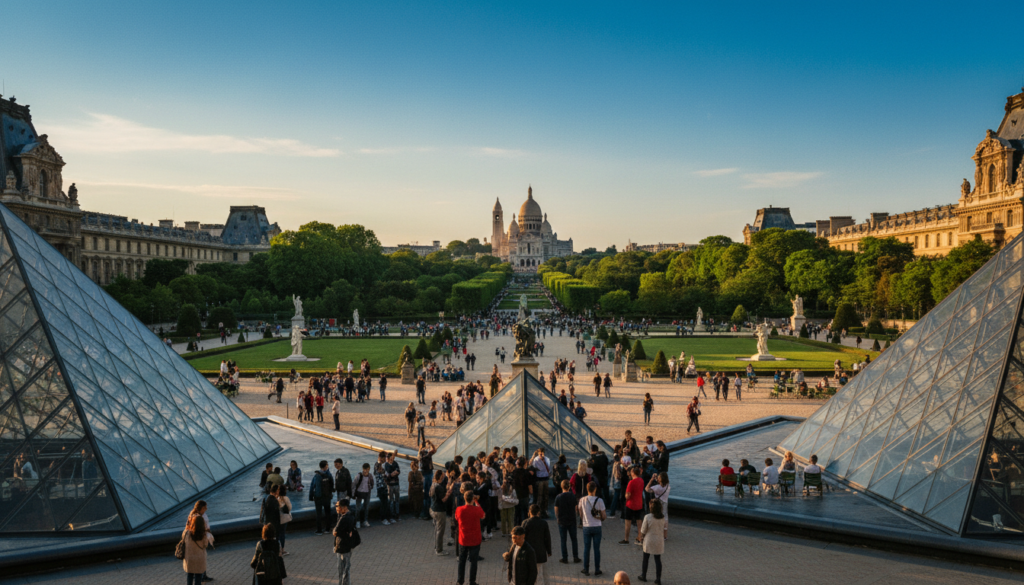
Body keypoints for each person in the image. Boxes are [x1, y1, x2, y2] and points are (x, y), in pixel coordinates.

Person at [456, 492, 487, 585]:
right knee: (474, 562)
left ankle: (460, 581)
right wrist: (477, 502)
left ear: (464, 499)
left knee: (462, 561)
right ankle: (472, 581)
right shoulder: (477, 510)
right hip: (475, 539)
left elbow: (456, 518)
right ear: (473, 499)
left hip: (463, 539)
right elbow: (483, 516)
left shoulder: (459, 509)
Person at [577, 481, 606, 577]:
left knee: (586, 548)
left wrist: (583, 519)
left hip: (586, 527)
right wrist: (601, 518)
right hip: (597, 526)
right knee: (596, 549)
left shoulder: (582, 500)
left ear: (587, 489)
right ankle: (597, 569)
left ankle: (586, 569)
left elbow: (580, 512)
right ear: (595, 489)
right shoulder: (600, 500)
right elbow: (604, 515)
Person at [637, 500, 667, 584]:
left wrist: (641, 537)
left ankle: (643, 575)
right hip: (659, 541)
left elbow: (643, 530)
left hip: (649, 540)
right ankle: (658, 579)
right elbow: (663, 528)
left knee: (645, 559)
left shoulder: (647, 517)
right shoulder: (662, 517)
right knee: (658, 560)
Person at [521, 504, 552, 585]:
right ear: (539, 512)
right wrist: (549, 551)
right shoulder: (544, 523)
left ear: (529, 512)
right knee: (540, 572)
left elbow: (522, 538)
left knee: (529, 572)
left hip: (528, 552)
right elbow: (547, 538)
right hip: (540, 552)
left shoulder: (525, 523)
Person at [553, 479, 581, 564]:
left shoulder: (558, 497)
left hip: (562, 521)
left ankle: (565, 558)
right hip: (572, 520)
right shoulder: (573, 496)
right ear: (569, 487)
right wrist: (575, 515)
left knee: (563, 540)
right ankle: (575, 557)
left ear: (561, 487)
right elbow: (576, 508)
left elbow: (556, 509)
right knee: (574, 539)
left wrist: (557, 518)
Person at [182, 514, 213, 585]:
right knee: (198, 577)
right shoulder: (203, 535)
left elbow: (183, 540)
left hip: (189, 558)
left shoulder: (186, 533)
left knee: (189, 575)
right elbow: (205, 545)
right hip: (199, 559)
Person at [332, 499, 356, 585]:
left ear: (344, 507)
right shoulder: (351, 515)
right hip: (347, 545)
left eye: (337, 506)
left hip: (342, 546)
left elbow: (335, 532)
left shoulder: (344, 518)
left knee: (343, 569)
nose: (336, 508)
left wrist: (336, 532)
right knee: (345, 568)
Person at [621, 467, 644, 545]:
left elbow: (628, 496)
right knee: (639, 522)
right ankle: (639, 538)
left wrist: (625, 495)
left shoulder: (631, 482)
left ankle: (626, 539)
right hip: (639, 504)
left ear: (633, 473)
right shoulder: (641, 481)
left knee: (628, 522)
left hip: (630, 504)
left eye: (631, 471)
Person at [430, 470, 451, 555]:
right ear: (440, 477)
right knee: (440, 530)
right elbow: (443, 499)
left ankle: (436, 546)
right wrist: (448, 494)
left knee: (436, 529)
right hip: (439, 511)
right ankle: (439, 550)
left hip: (433, 509)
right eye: (443, 476)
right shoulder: (439, 487)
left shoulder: (433, 485)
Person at [311, 460, 335, 535]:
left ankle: (319, 530)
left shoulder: (317, 475)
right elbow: (332, 484)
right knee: (328, 513)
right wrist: (330, 494)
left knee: (319, 514)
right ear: (326, 466)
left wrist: (311, 496)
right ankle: (327, 529)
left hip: (318, 497)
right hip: (327, 497)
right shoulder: (329, 474)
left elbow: (312, 486)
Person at [531, 448, 552, 517]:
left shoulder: (547, 459)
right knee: (540, 496)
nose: (541, 454)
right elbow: (533, 467)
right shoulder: (536, 460)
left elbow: (548, 468)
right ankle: (538, 512)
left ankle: (544, 511)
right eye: (540, 453)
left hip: (546, 478)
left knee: (546, 495)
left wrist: (544, 460)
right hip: (539, 479)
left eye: (542, 453)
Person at [353, 463, 373, 527]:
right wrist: (353, 493)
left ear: (369, 469)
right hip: (359, 493)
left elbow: (372, 484)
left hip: (367, 493)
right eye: (364, 469)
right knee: (358, 508)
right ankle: (357, 521)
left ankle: (365, 521)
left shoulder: (370, 476)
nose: (366, 471)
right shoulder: (359, 476)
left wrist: (369, 488)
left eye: (367, 469)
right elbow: (354, 484)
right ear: (362, 469)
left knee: (366, 507)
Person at [276, 487, 292, 556]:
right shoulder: (286, 498)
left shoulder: (275, 498)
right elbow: (289, 508)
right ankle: (282, 550)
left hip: (277, 519)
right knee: (282, 534)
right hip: (284, 519)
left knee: (277, 535)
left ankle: (277, 550)